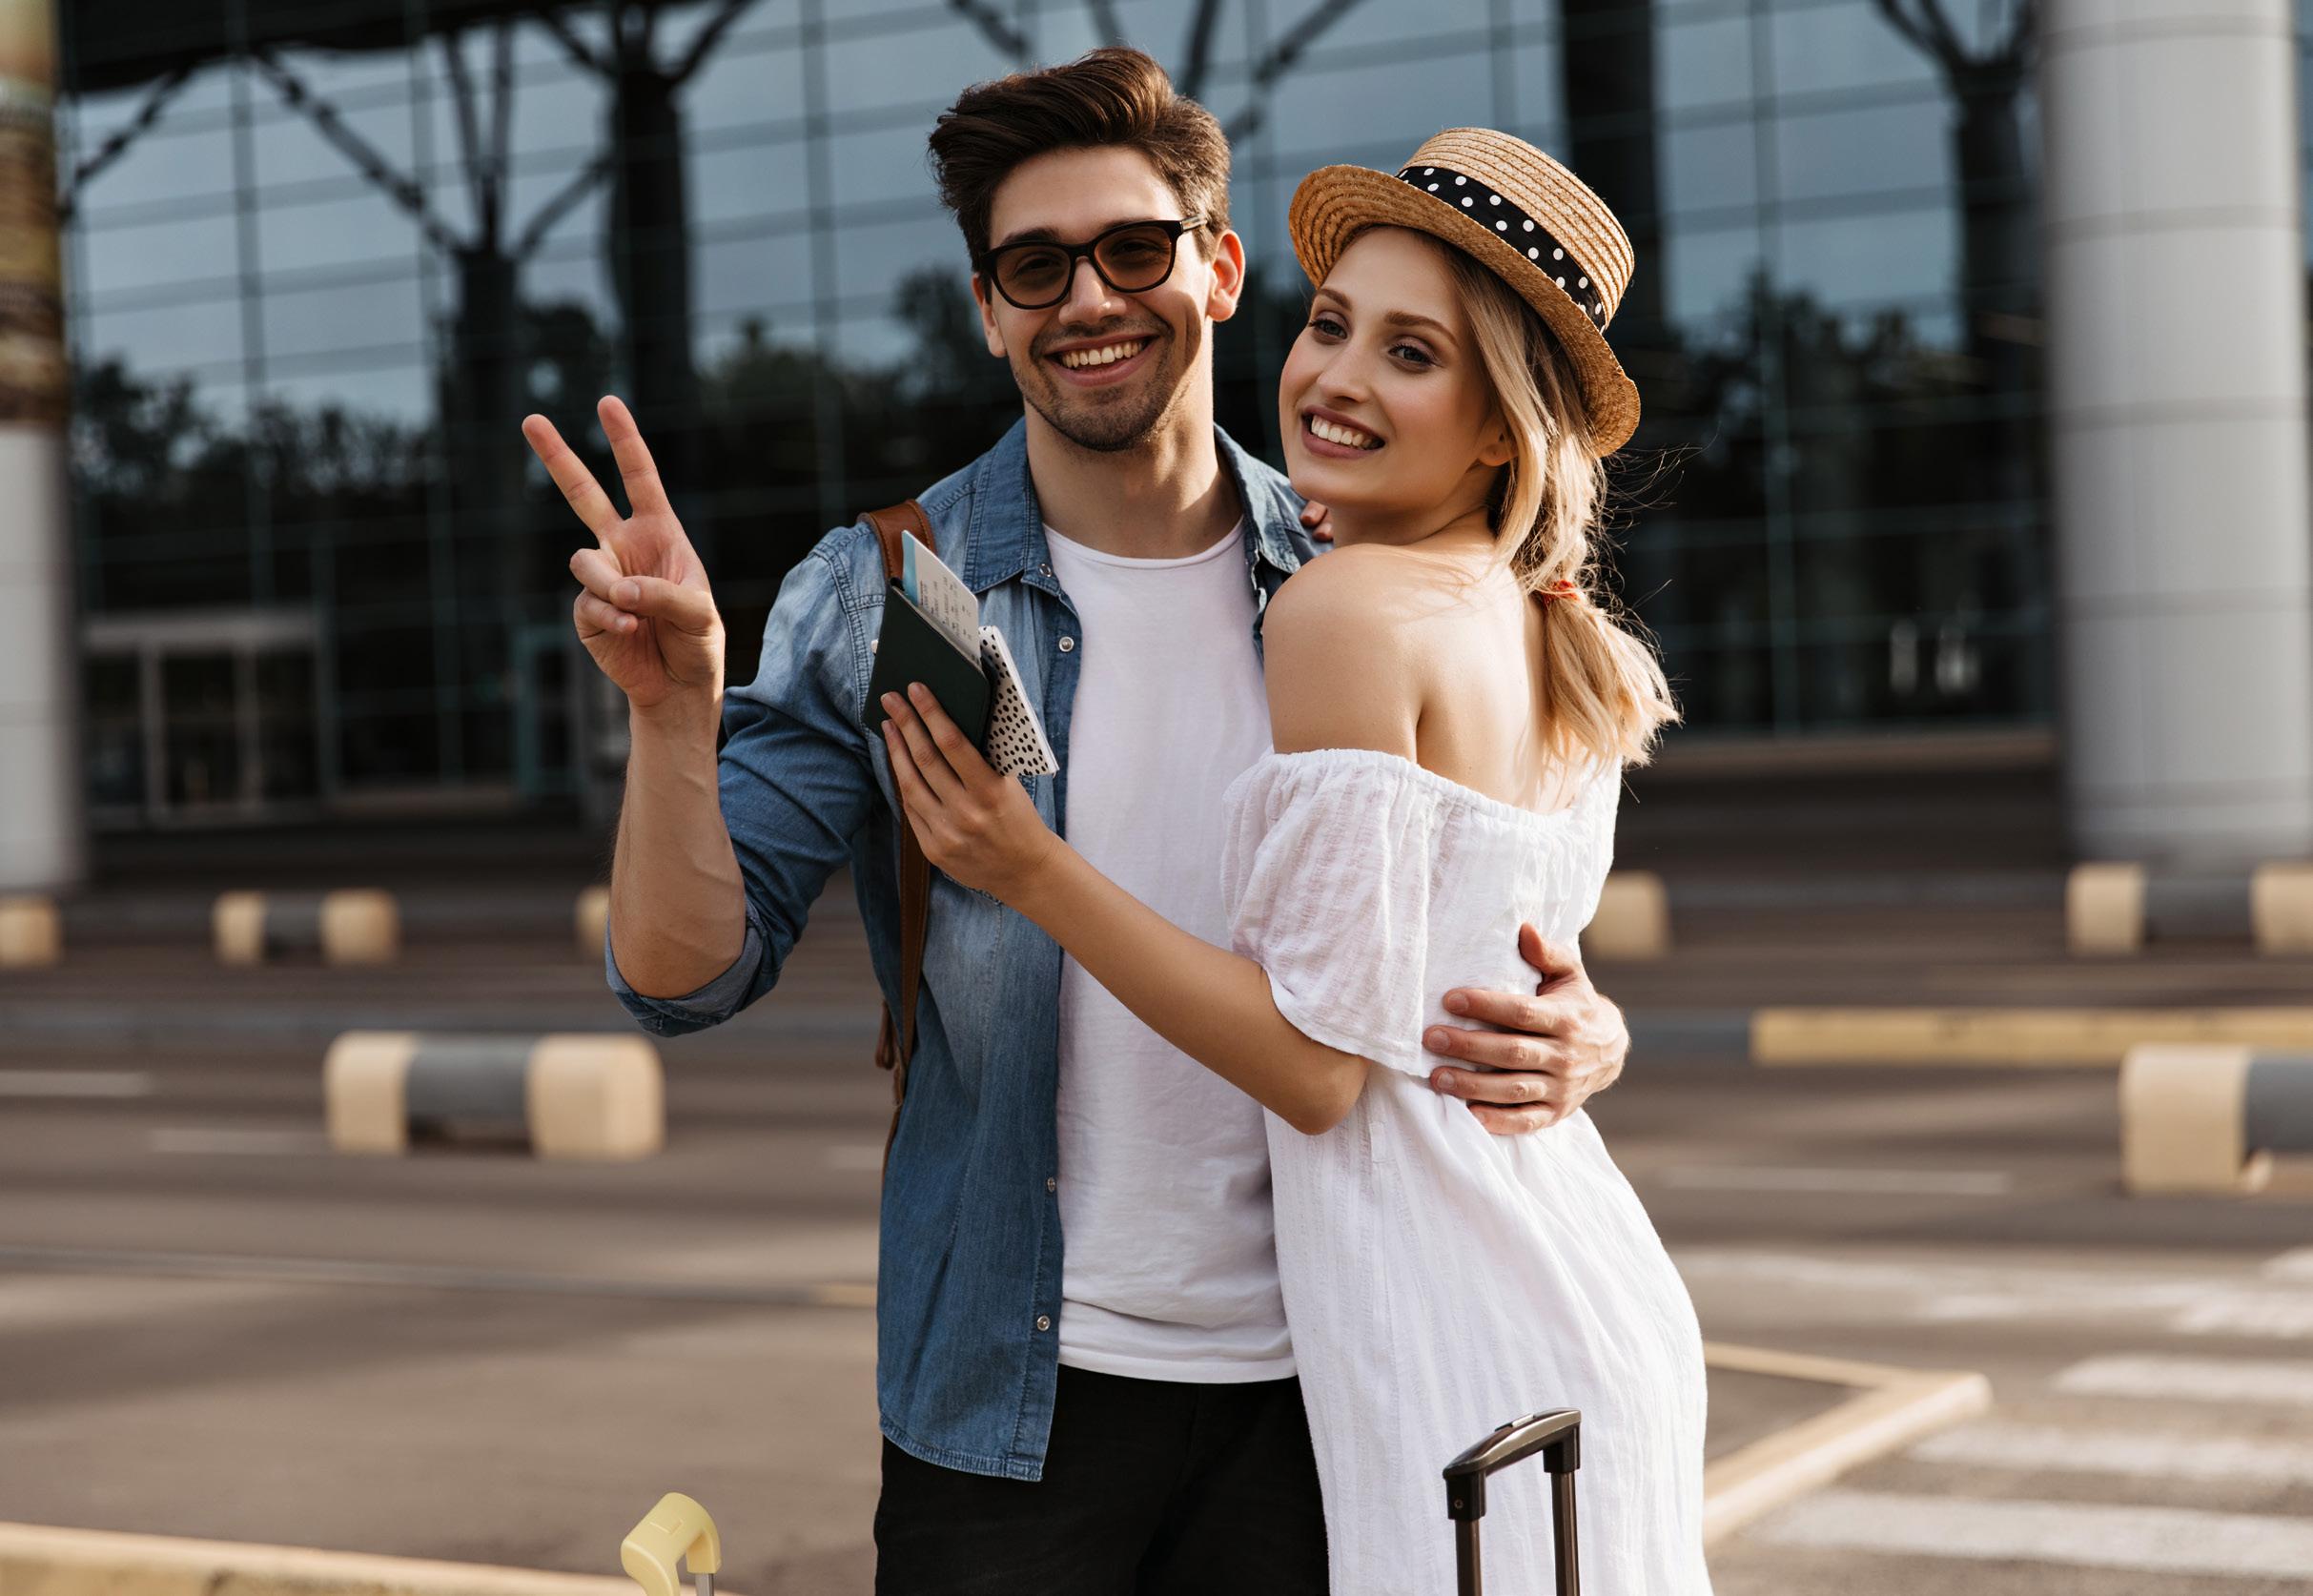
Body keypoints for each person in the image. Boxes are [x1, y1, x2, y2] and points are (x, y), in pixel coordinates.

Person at [522, 51, 1641, 1595]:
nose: (1087, 298)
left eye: (1131, 248)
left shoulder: (1350, 577)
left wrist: (1582, 1031)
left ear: (1219, 269)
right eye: (1034, 267)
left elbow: (1457, 939)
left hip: (1320, 1390)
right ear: (987, 310)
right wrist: (672, 715)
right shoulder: (887, 591)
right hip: (1010, 1404)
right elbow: (681, 975)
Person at [877, 125, 1710, 1594]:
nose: (1336, 377)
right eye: (1331, 324)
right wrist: (1595, 1027)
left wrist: (1025, 866)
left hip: (1446, 1327)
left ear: (1500, 425)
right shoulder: (1543, 619)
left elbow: (1319, 1068)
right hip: (1570, 1288)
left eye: (1412, 354)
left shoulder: (1339, 612)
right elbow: (1507, 963)